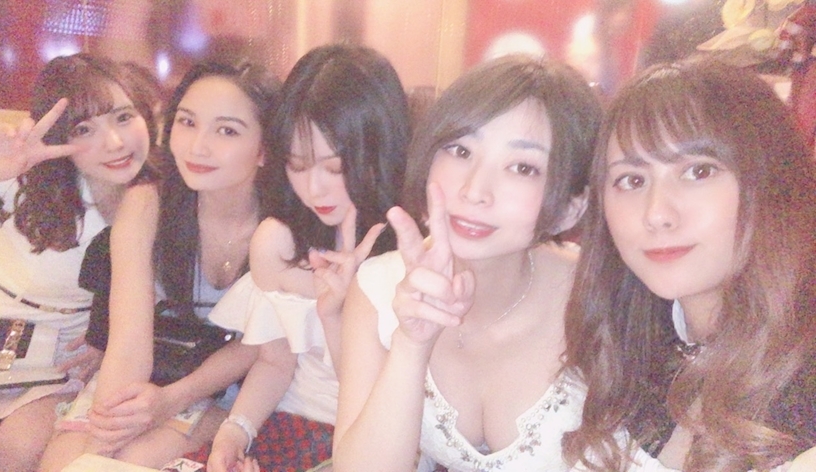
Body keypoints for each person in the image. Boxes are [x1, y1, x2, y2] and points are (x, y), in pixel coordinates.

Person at [332, 54, 602, 471]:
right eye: (460, 150)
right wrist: (412, 344)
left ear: (571, 207)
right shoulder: (378, 289)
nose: (475, 190)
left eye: (522, 167)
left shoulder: (599, 295)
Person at [562, 60, 816, 471]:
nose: (657, 214)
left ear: (771, 180)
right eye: (631, 180)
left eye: (698, 171)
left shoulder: (801, 378)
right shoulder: (628, 341)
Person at [40, 59, 280, 470]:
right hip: (150, 374)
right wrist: (104, 439)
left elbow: (265, 345)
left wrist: (172, 400)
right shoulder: (147, 200)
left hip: (235, 392)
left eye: (226, 131)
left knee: (138, 459)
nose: (198, 146)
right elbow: (128, 340)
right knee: (67, 462)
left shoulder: (283, 225)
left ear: (265, 148)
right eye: (187, 122)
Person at [206, 43, 410, 472]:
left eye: (334, 169)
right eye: (297, 165)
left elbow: (385, 408)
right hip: (289, 427)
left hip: (378, 445)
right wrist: (235, 432)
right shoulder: (280, 243)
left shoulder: (412, 252)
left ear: (381, 151)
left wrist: (344, 310)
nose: (314, 189)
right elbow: (276, 362)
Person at [0, 53, 157, 472]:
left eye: (123, 117)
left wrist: (102, 337)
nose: (115, 142)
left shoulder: (161, 194)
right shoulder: (29, 174)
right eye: (84, 129)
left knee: (19, 448)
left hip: (62, 355)